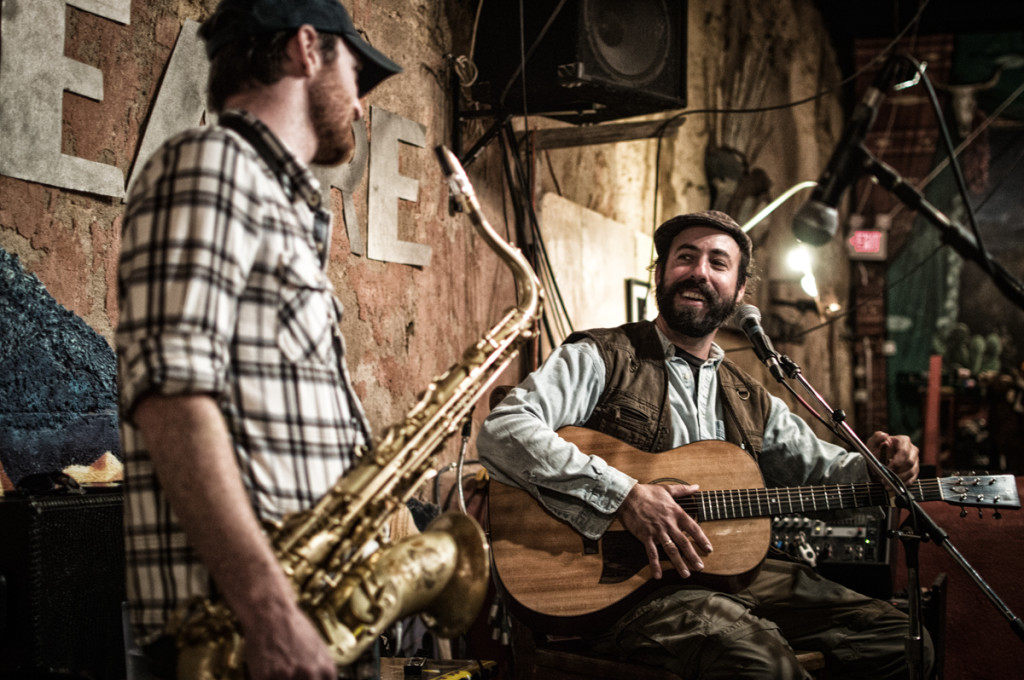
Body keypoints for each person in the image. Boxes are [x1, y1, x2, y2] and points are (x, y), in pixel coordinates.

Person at [477, 210, 933, 679]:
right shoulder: (602, 357)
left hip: (729, 577)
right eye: (686, 257)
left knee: (901, 640)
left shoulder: (750, 398)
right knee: (762, 662)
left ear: (739, 292)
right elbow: (504, 429)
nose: (699, 271)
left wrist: (878, 467)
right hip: (627, 587)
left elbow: (826, 472)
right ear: (661, 273)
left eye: (718, 262)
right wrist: (626, 496)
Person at [116, 1, 400, 678]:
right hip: (246, 635)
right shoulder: (213, 164)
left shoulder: (277, 201)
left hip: (309, 615)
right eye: (355, 75)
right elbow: (171, 395)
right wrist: (269, 610)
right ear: (307, 48)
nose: (360, 107)